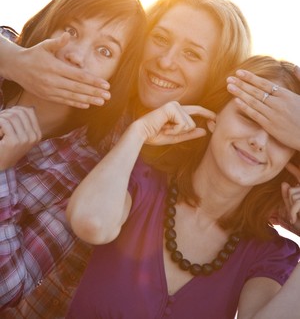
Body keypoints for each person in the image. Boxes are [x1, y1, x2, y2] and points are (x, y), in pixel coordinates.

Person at [65, 55, 300, 319]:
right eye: (248, 117)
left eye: (280, 136)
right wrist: (138, 132)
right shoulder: (141, 179)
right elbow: (91, 223)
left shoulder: (271, 254)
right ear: (214, 117)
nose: (259, 141)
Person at [0, 0, 147, 309]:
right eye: (71, 29)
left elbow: (8, 287)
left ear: (116, 76)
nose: (75, 55)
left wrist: (2, 170)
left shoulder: (80, 171)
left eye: (104, 51)